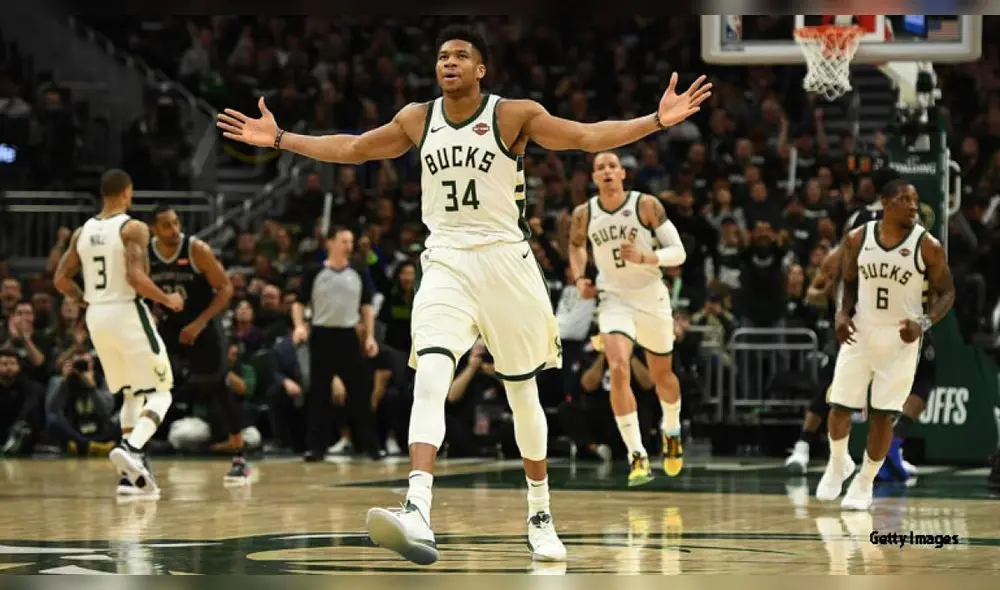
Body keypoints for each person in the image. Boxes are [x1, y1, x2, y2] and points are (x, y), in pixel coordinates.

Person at [217, 24, 710, 565]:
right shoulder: (416, 117)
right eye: (442, 56)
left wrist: (657, 120)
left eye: (460, 56)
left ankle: (540, 514)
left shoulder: (512, 114)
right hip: (446, 260)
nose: (448, 62)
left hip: (507, 263)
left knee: (523, 395)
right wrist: (282, 138)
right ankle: (417, 506)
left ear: (481, 69)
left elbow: (587, 137)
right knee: (429, 372)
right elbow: (355, 149)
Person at [816, 181, 955, 510]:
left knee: (882, 417)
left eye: (915, 200)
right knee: (839, 407)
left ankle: (864, 483)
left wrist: (922, 324)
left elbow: (948, 292)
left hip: (900, 340)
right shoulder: (858, 238)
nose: (912, 206)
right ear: (885, 203)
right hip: (861, 332)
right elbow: (847, 282)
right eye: (904, 199)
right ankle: (838, 463)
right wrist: (840, 314)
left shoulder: (928, 246)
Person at [785, 186, 937, 481]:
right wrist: (832, 295)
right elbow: (812, 293)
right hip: (853, 329)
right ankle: (804, 445)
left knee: (919, 381)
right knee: (830, 390)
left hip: (897, 327)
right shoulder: (842, 253)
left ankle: (893, 448)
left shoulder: (914, 246)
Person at [52, 169, 183, 497]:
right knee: (162, 390)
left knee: (130, 392)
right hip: (127, 309)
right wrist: (168, 298)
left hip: (97, 315)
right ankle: (132, 447)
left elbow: (60, 280)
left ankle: (129, 479)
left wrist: (86, 300)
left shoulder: (81, 232)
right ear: (127, 192)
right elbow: (136, 277)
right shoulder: (133, 227)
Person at [566, 152, 685, 487]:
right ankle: (637, 454)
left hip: (651, 296)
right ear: (593, 177)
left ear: (622, 173)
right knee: (618, 366)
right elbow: (576, 247)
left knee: (663, 377)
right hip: (614, 299)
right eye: (599, 168)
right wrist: (580, 279)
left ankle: (672, 429)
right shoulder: (584, 213)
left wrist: (648, 256)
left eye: (611, 166)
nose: (606, 171)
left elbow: (679, 251)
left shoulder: (645, 205)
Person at [147, 204, 249, 487]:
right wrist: (153, 314)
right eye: (166, 225)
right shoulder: (146, 255)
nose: (175, 229)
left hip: (202, 324)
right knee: (150, 384)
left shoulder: (196, 250)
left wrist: (199, 324)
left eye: (177, 222)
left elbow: (226, 288)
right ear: (154, 230)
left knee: (218, 386)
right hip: (170, 323)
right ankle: (140, 452)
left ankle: (240, 456)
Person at [292, 226, 382, 462]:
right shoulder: (314, 272)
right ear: (330, 243)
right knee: (319, 393)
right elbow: (299, 303)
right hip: (322, 335)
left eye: (350, 241)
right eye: (343, 241)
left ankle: (370, 445)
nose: (348, 246)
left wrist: (370, 336)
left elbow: (367, 307)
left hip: (348, 336)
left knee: (360, 393)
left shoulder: (359, 272)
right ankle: (316, 447)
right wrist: (300, 325)